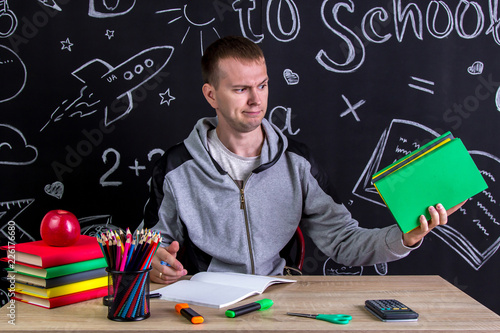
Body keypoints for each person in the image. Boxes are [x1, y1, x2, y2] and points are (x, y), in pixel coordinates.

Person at [144, 35, 463, 284]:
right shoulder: (175, 168)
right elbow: (154, 247)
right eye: (241, 89)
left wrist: (406, 236)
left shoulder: (297, 163)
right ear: (211, 95)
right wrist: (154, 261)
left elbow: (345, 243)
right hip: (206, 304)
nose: (256, 100)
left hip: (277, 298)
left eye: (263, 85)